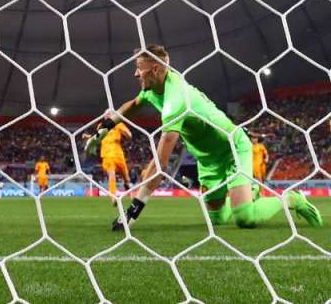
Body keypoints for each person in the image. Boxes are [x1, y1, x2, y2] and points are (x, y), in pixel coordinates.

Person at [94, 45, 321, 230]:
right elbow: (133, 104)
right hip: (207, 160)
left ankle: (291, 199)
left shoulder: (176, 101)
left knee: (245, 218)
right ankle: (249, 193)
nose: (135, 74)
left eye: (139, 69)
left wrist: (132, 213)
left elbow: (160, 166)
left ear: (155, 69)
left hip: (232, 148)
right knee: (217, 219)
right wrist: (107, 125)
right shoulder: (153, 89)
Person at [86, 122, 133, 205]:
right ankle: (113, 197)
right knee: (111, 175)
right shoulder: (101, 125)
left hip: (118, 155)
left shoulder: (119, 124)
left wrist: (122, 131)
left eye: (109, 115)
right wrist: (89, 138)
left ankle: (130, 194)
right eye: (106, 115)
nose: (107, 116)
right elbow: (97, 137)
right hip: (106, 155)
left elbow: (129, 136)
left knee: (126, 178)